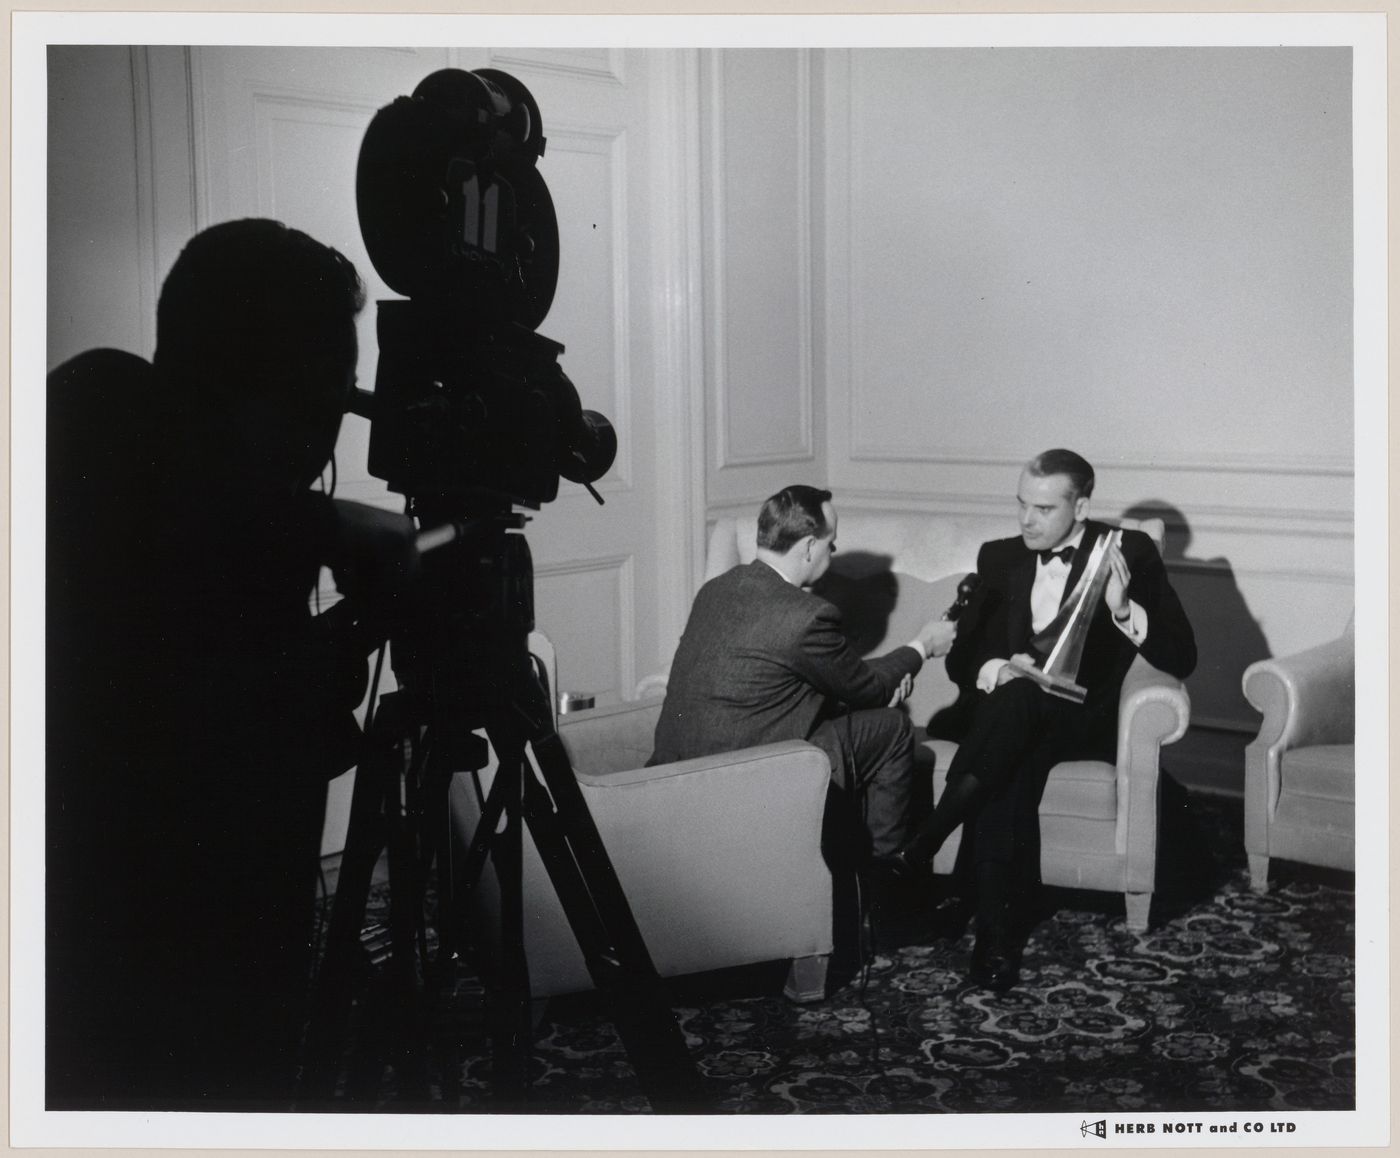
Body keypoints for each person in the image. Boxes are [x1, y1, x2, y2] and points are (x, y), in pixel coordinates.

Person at [46, 219, 417, 1108]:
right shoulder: (106, 410)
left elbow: (262, 704)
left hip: (224, 954)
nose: (339, 418)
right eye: (333, 385)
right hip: (138, 975)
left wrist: (345, 637)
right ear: (279, 386)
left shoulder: (234, 513)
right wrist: (333, 528)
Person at [883, 449, 1196, 990]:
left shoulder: (1128, 551)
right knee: (1016, 731)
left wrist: (1123, 610)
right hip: (1014, 716)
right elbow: (961, 659)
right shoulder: (998, 557)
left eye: (1044, 509)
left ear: (1082, 507)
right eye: (1022, 505)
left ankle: (927, 846)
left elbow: (1182, 655)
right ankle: (996, 937)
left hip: (1083, 720)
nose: (1027, 520)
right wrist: (999, 668)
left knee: (1016, 722)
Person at [649, 485, 957, 865]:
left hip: (672, 779)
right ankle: (885, 879)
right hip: (747, 783)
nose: (833, 552)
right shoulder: (807, 615)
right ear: (810, 546)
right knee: (892, 727)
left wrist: (883, 676)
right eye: (832, 544)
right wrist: (923, 646)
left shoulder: (715, 590)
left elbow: (823, 675)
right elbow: (867, 688)